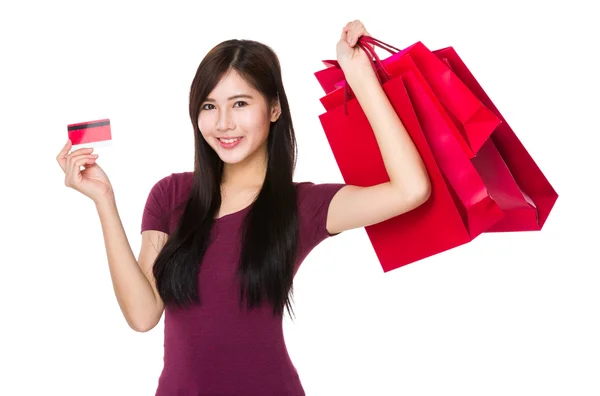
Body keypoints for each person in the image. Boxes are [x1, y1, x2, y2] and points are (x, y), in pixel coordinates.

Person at [56, 20, 430, 396]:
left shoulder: (302, 206)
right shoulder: (170, 195)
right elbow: (142, 315)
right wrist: (104, 200)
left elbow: (410, 190)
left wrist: (359, 75)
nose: (223, 123)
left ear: (273, 109)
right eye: (209, 105)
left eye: (239, 103)